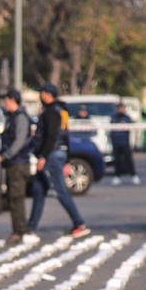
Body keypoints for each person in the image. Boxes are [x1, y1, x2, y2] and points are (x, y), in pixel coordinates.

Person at [29, 84, 89, 239]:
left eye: (42, 93)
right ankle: (30, 227)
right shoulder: (62, 111)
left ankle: (79, 223)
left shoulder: (51, 112)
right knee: (38, 189)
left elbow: (52, 136)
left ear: (48, 95)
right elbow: (65, 136)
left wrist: (43, 156)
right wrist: (67, 159)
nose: (40, 97)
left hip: (52, 155)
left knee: (59, 190)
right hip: (59, 153)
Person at [0, 90, 37, 245]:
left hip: (19, 163)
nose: (5, 104)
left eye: (6, 101)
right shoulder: (12, 118)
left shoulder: (20, 118)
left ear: (12, 100)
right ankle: (18, 229)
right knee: (13, 198)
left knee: (17, 198)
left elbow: (19, 142)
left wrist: (3, 156)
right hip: (13, 163)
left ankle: (20, 230)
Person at [109, 102, 138, 186]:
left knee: (128, 160)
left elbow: (130, 130)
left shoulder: (127, 118)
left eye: (122, 108)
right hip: (116, 143)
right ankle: (117, 176)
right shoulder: (114, 117)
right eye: (119, 108)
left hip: (125, 143)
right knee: (117, 161)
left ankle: (133, 175)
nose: (120, 109)